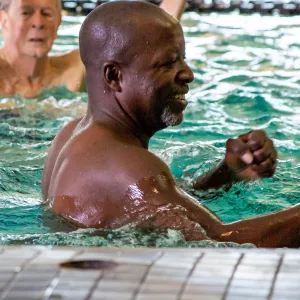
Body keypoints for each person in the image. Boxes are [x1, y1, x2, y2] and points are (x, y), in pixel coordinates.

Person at [43, 1, 300, 249]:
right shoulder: (126, 166)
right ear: (114, 76)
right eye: (168, 63)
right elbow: (222, 245)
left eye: (183, 59)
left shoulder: (71, 136)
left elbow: (166, 203)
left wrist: (226, 174)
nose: (188, 74)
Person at [0, 0, 186, 98]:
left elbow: (148, 36)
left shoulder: (75, 69)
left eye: (47, 14)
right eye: (26, 12)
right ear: (3, 21)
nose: (38, 23)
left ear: (58, 22)